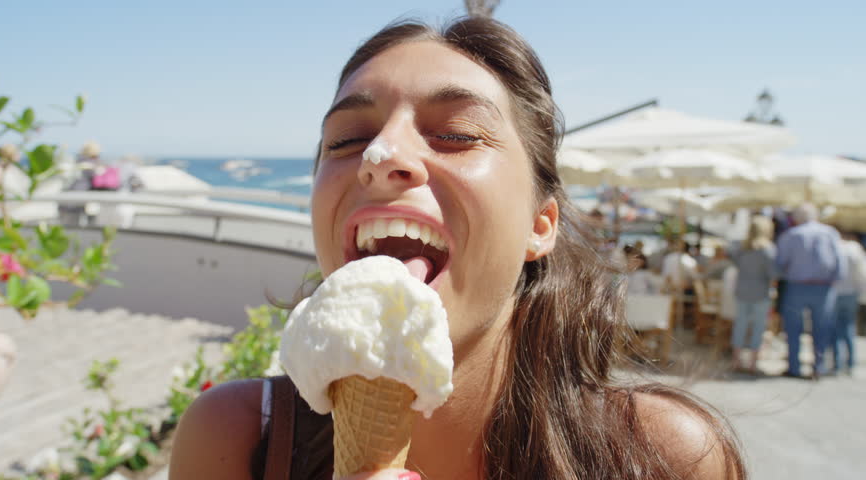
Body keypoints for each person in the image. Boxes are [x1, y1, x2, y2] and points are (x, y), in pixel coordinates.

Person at [169, 17, 744, 480]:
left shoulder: (661, 459)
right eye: (346, 140)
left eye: (457, 134)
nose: (381, 154)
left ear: (539, 225)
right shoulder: (237, 437)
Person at [775, 204, 846, 379]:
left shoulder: (790, 235)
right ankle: (819, 367)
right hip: (824, 287)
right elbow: (840, 262)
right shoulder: (830, 233)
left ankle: (794, 367)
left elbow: (779, 264)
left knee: (793, 328)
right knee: (822, 328)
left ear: (797, 218)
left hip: (796, 286)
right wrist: (836, 280)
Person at [729, 216, 778, 373]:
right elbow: (773, 273)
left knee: (740, 325)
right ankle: (752, 363)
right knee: (758, 327)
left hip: (742, 291)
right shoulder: (768, 250)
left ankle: (736, 360)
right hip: (760, 293)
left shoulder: (741, 249)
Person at [832, 230, 866, 374]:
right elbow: (862, 273)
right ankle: (850, 363)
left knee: (836, 329)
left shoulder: (834, 247)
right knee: (849, 327)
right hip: (851, 291)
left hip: (835, 292)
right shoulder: (855, 248)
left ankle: (838, 363)